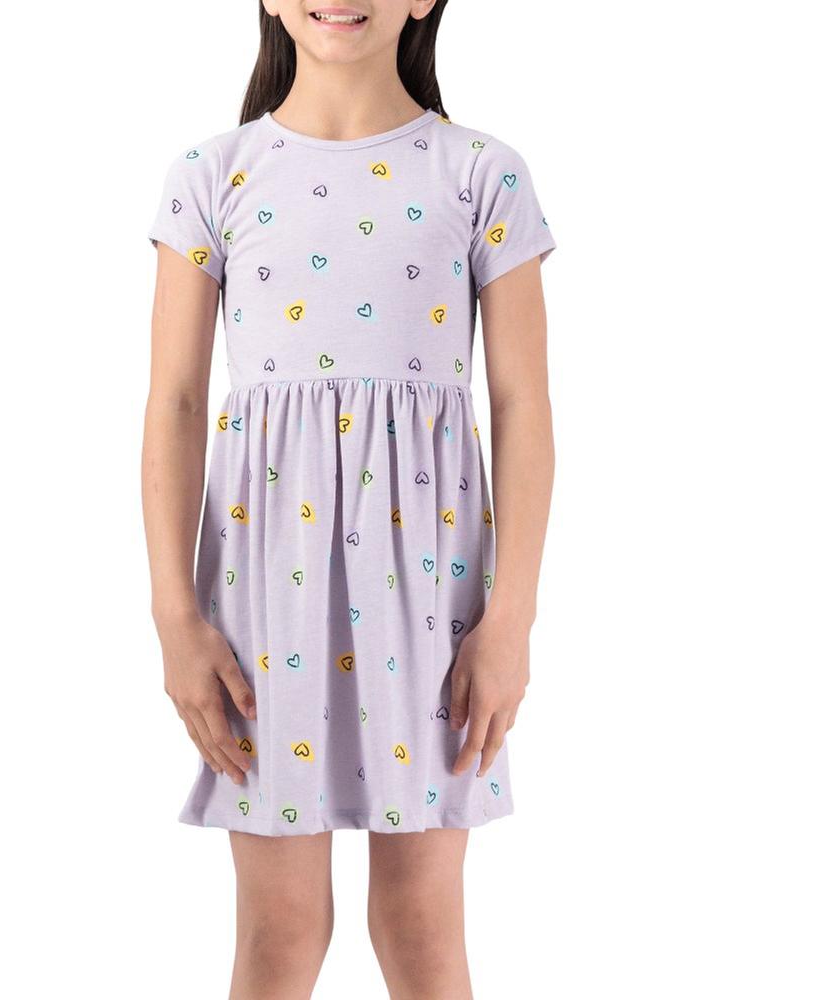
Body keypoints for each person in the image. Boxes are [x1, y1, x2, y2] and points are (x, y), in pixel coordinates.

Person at [141, 2, 556, 995]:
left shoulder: (480, 173)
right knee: (278, 929)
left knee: (421, 922)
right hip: (265, 595)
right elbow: (177, 403)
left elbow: (521, 405)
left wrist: (511, 619)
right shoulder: (213, 175)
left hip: (430, 597)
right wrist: (174, 617)